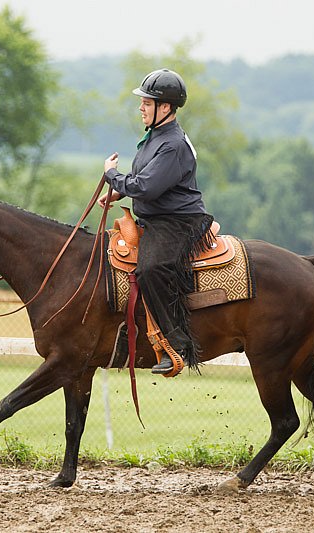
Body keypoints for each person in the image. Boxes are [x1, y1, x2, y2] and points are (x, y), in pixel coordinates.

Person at [98, 68, 213, 375]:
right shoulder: (155, 139)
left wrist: (112, 175)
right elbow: (147, 180)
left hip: (178, 222)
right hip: (160, 217)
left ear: (165, 107)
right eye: (143, 102)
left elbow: (146, 187)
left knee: (151, 269)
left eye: (146, 103)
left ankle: (179, 345)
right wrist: (119, 195)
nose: (141, 108)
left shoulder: (171, 144)